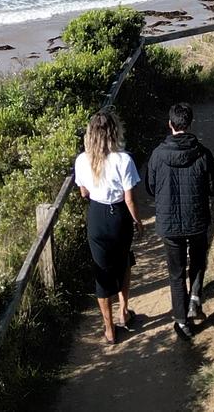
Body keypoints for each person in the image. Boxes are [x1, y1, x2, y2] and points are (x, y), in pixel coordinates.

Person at [144, 102, 214, 341]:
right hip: (197, 219)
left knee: (175, 273)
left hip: (169, 224)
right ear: (189, 124)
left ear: (170, 125)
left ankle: (182, 321)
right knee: (198, 260)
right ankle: (195, 298)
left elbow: (150, 188)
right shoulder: (202, 153)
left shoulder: (157, 155)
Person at [74, 110, 143, 344]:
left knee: (102, 272)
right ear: (115, 132)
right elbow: (129, 199)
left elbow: (84, 192)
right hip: (119, 217)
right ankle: (124, 311)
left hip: (96, 215)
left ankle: (109, 328)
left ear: (90, 134)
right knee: (123, 261)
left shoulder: (82, 160)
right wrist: (138, 221)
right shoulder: (123, 160)